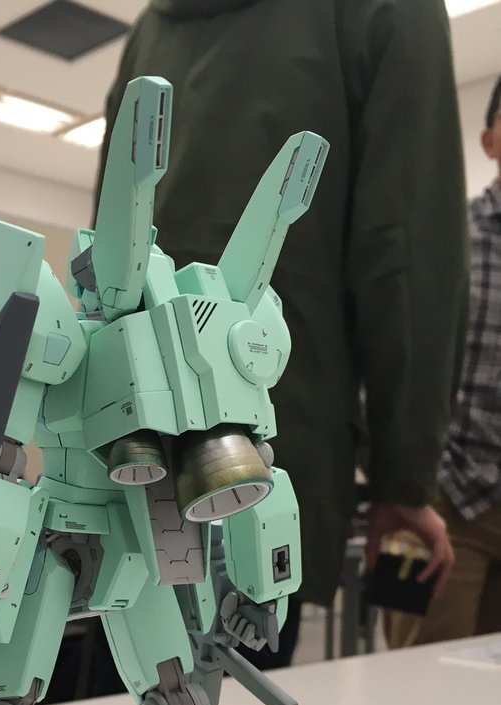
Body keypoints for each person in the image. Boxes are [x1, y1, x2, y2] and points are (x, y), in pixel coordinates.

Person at [97, 0, 467, 665]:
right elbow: (407, 254)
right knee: (227, 694)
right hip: (268, 441)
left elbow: (111, 243)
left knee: (115, 681)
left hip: (123, 434)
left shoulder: (152, 27)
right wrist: (404, 481)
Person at [386, 77, 501, 648]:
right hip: (438, 505)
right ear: (489, 142)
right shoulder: (445, 236)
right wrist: (406, 481)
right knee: (409, 683)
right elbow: (386, 361)